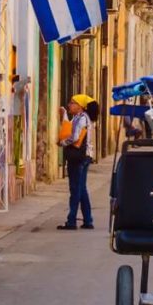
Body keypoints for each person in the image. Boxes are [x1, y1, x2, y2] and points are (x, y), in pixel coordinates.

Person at [57, 94, 100, 230]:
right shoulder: (80, 117)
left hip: (78, 157)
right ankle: (88, 220)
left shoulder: (81, 119)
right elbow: (68, 127)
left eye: (72, 103)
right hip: (84, 156)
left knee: (75, 189)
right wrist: (64, 115)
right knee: (81, 189)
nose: (70, 105)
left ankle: (71, 221)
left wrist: (62, 143)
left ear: (80, 106)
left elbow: (74, 137)